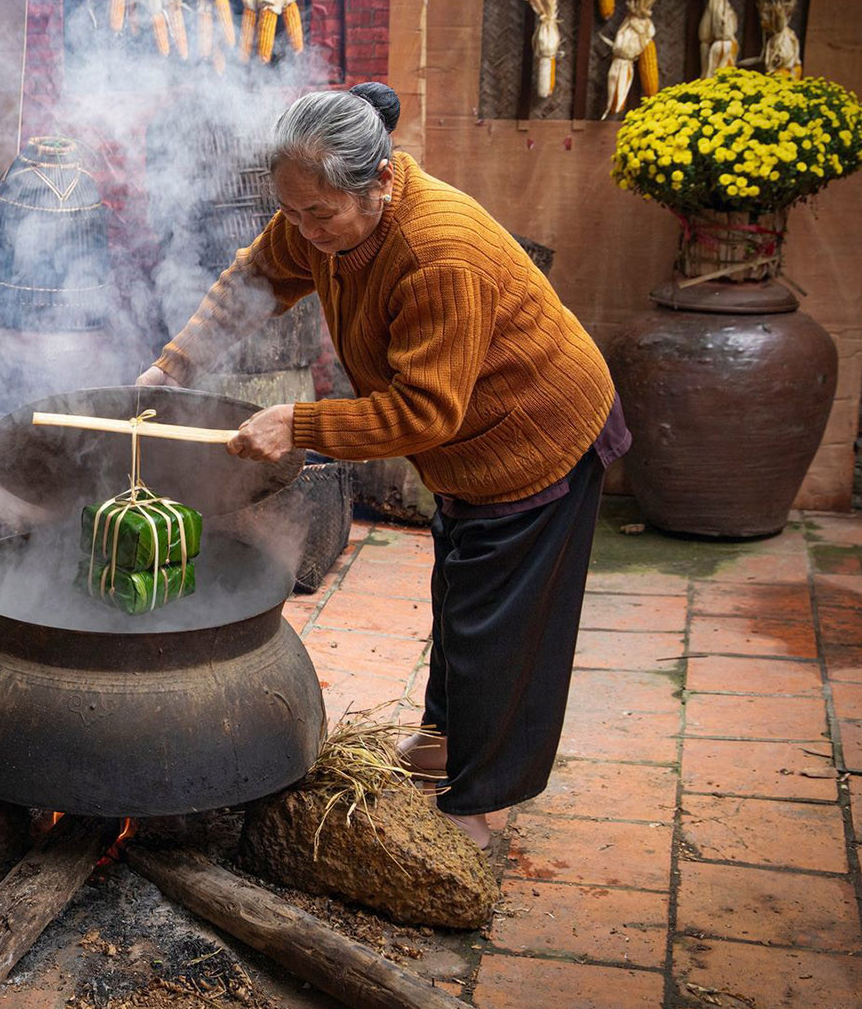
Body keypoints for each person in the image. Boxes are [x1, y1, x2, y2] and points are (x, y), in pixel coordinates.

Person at [138, 82, 628, 850]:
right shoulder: (319, 212)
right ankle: (445, 736)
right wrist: (173, 369)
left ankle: (483, 805)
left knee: (503, 620)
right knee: (461, 588)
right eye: (290, 212)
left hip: (534, 432)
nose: (302, 231)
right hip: (466, 452)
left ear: (382, 180)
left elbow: (426, 412)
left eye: (317, 216)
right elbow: (253, 281)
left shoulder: (438, 253)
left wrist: (298, 425)